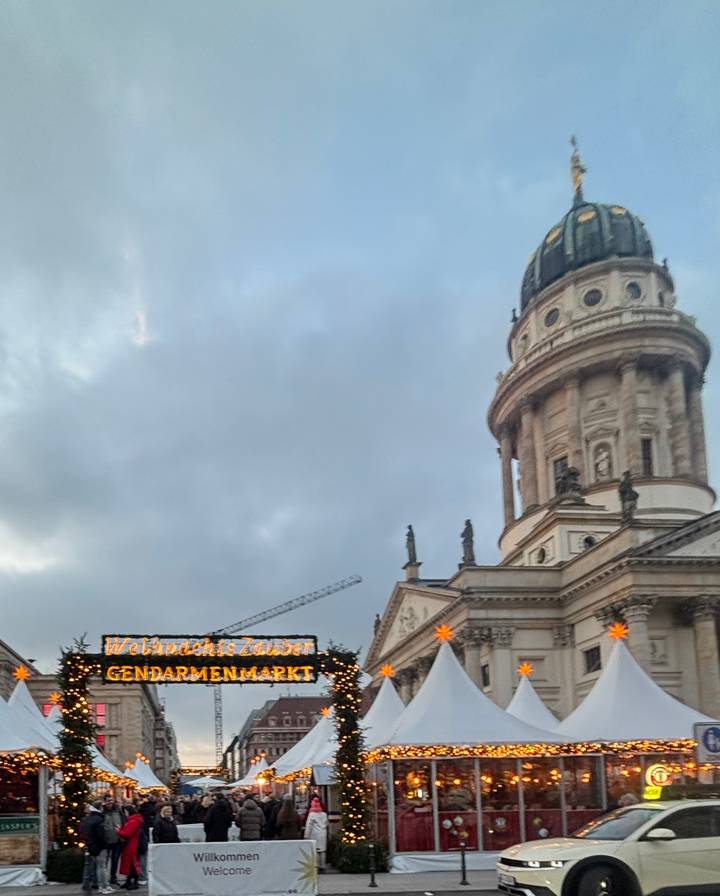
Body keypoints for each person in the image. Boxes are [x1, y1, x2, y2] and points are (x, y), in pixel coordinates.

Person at [81, 801, 111, 895]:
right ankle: (103, 886)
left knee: (96, 866)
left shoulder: (88, 819)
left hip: (92, 845)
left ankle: (100, 885)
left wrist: (90, 843)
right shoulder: (99, 819)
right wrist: (105, 844)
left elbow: (85, 833)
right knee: (102, 867)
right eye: (102, 807)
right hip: (99, 846)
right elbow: (101, 835)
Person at [117, 806, 143, 890]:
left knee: (132, 865)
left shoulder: (133, 821)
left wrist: (118, 831)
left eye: (125, 812)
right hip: (130, 844)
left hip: (131, 845)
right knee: (129, 864)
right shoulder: (133, 820)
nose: (125, 814)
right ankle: (129, 881)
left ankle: (134, 882)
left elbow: (127, 834)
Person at [103, 795, 125, 886]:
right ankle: (104, 879)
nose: (110, 802)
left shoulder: (118, 810)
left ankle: (113, 877)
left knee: (115, 859)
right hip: (106, 840)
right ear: (105, 801)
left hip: (118, 838)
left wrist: (123, 832)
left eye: (111, 800)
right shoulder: (102, 812)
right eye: (108, 800)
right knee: (105, 860)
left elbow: (123, 821)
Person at [303, 796, 328, 870]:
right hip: (323, 834)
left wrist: (306, 836)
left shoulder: (311, 814)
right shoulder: (324, 814)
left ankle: (316, 865)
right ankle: (323, 865)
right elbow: (326, 824)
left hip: (314, 834)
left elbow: (308, 826)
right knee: (323, 850)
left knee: (315, 850)